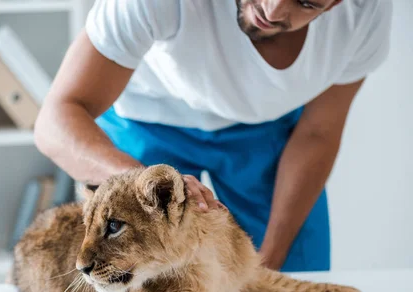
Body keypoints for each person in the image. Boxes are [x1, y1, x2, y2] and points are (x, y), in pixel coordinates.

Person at [33, 0, 392, 272]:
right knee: (130, 279)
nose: (273, 9)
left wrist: (270, 261)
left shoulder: (363, 16)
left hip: (265, 132)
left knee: (295, 280)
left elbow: (318, 132)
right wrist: (139, 183)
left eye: (307, 2)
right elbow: (56, 120)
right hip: (146, 120)